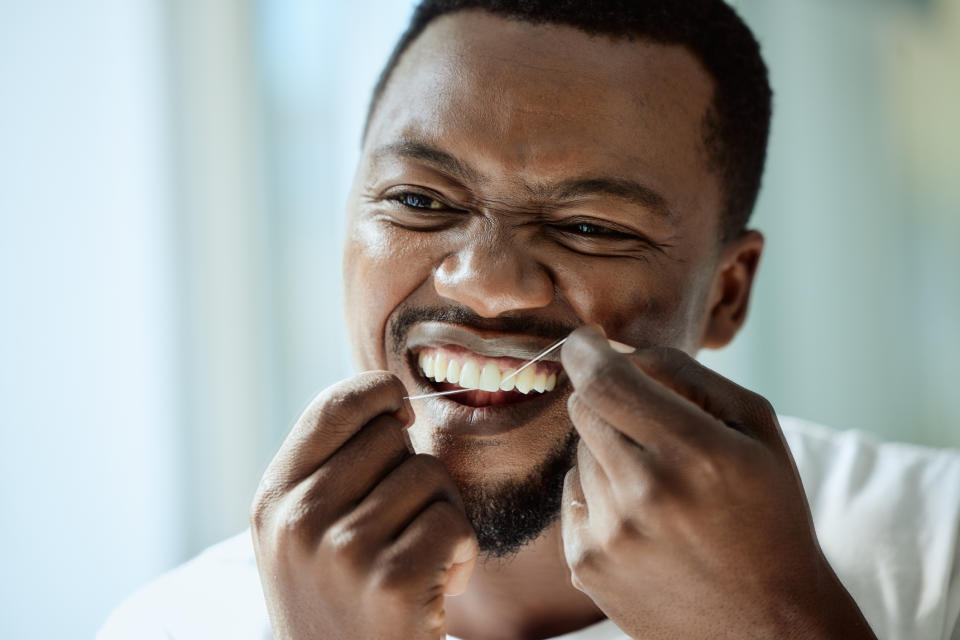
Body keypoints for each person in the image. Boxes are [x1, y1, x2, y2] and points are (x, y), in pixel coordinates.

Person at [100, 1, 960, 638]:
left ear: (727, 292)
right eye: (418, 200)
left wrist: (778, 625)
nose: (483, 284)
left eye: (589, 226)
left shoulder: (937, 551)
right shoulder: (166, 625)